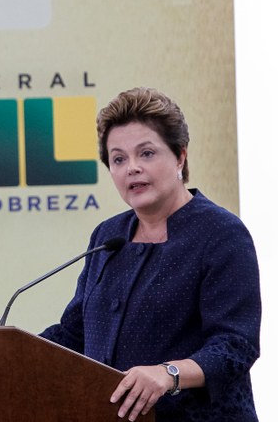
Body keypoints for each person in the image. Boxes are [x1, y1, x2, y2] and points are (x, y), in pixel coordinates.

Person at [39, 87, 261, 421]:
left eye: (146, 154)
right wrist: (1, 350)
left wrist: (169, 373)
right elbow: (75, 334)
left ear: (180, 157)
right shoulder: (108, 235)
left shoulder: (221, 233)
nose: (132, 168)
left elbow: (235, 345)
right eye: (118, 159)